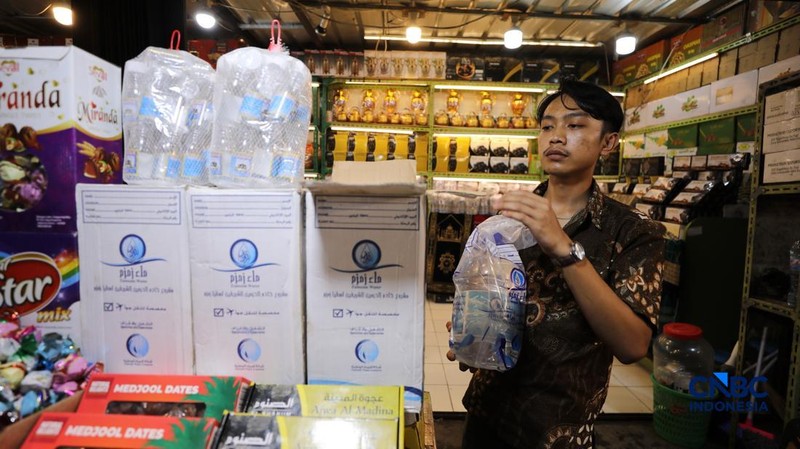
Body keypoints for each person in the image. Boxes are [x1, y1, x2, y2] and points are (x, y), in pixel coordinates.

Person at [447, 78, 666, 449]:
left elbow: (633, 345)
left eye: (575, 125)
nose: (556, 136)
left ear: (608, 143)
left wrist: (563, 246)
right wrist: (473, 329)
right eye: (547, 126)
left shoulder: (633, 232)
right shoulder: (508, 218)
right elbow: (487, 298)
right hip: (487, 413)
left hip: (559, 430)